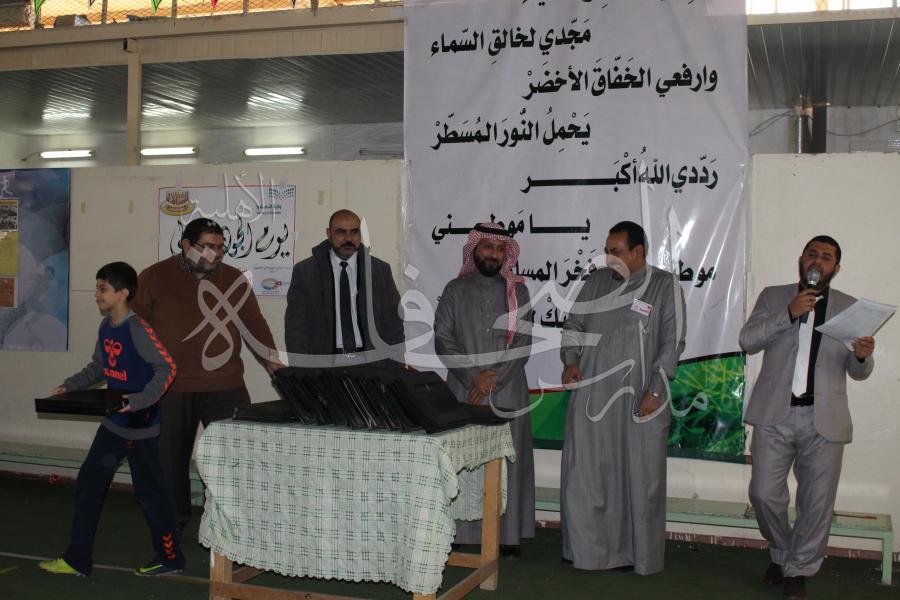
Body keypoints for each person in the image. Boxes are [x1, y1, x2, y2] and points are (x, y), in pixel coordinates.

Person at [740, 235, 874, 600]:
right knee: (763, 493)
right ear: (802, 259)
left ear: (836, 268)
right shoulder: (773, 297)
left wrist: (862, 356)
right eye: (812, 253)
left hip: (824, 418)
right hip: (775, 414)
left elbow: (858, 371)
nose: (818, 260)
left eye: (826, 257)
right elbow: (748, 340)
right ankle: (783, 553)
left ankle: (798, 569)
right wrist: (788, 313)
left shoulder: (849, 308)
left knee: (816, 502)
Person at [131, 218, 280, 529]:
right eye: (208, 247)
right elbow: (135, 327)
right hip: (171, 387)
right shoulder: (154, 277)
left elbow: (255, 325)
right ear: (186, 245)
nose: (216, 254)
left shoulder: (234, 279)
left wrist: (274, 364)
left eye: (221, 248)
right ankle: (172, 523)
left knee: (235, 455)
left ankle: (233, 522)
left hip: (225, 384)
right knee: (169, 459)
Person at [38, 262, 185, 577]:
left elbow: (168, 368)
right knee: (89, 484)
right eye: (97, 288)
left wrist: (138, 401)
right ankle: (77, 559)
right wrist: (70, 385)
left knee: (150, 494)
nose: (96, 294)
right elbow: (99, 367)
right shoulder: (106, 327)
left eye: (102, 288)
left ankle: (170, 557)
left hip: (140, 426)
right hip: (114, 423)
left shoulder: (138, 329)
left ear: (123, 293)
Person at [559, 220, 686, 574]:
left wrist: (655, 391)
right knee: (585, 474)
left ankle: (635, 555)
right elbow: (573, 326)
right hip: (593, 397)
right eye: (606, 250)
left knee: (638, 477)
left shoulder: (664, 286)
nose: (608, 257)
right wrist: (570, 361)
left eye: (615, 251)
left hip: (639, 398)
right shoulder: (596, 283)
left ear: (638, 252)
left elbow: (673, 342)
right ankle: (585, 551)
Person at [433, 222, 535, 556]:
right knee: (465, 461)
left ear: (507, 254)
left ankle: (507, 536)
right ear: (474, 250)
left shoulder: (518, 292)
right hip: (465, 391)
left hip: (508, 390)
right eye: (487, 247)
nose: (493, 254)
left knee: (507, 462)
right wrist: (472, 377)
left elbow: (522, 343)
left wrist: (493, 379)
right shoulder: (454, 290)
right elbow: (443, 339)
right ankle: (464, 533)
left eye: (500, 249)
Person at [284, 209, 404, 362]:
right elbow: (296, 326)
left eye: (354, 232)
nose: (348, 239)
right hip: (323, 365)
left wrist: (396, 362)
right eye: (341, 232)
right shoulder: (306, 272)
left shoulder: (379, 271)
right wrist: (301, 367)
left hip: (372, 364)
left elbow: (393, 323)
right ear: (329, 233)